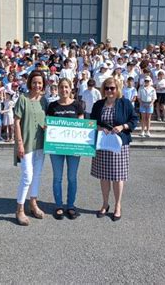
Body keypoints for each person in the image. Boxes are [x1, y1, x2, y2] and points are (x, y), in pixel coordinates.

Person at [90, 77, 139, 221]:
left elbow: (134, 120)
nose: (110, 91)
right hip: (103, 144)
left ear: (117, 89)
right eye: (107, 88)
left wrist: (122, 126)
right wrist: (99, 127)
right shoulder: (98, 104)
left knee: (118, 177)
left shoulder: (125, 103)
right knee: (104, 176)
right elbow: (92, 121)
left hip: (119, 144)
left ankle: (118, 205)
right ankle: (105, 204)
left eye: (112, 88)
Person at [46, 78, 84, 220]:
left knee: (72, 177)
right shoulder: (52, 106)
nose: (64, 90)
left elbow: (82, 127)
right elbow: (48, 124)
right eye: (61, 87)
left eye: (66, 87)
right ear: (58, 89)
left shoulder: (77, 105)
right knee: (57, 178)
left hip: (73, 147)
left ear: (71, 88)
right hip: (56, 147)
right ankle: (58, 206)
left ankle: (70, 205)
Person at [14, 70, 47, 226]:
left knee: (37, 175)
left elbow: (47, 121)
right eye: (34, 82)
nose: (37, 85)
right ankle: (19, 209)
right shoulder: (23, 99)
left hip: (41, 143)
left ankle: (33, 203)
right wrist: (19, 143)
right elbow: (16, 122)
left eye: (40, 82)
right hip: (26, 143)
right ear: (30, 83)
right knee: (27, 176)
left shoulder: (44, 101)